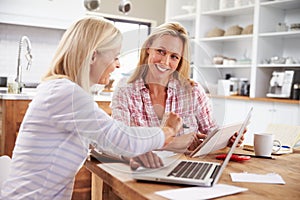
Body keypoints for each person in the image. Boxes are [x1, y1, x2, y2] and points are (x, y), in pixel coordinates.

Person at [0, 17, 183, 199]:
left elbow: (103, 139)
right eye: (115, 56)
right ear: (93, 56)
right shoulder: (66, 94)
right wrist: (167, 130)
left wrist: (130, 152)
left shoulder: (62, 90)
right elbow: (121, 138)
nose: (118, 64)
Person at [111, 22, 245, 169]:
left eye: (174, 56)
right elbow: (121, 141)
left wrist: (227, 139)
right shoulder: (125, 89)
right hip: (141, 172)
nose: (165, 62)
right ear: (148, 48)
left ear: (181, 60)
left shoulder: (192, 91)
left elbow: (211, 133)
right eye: (161, 51)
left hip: (188, 170)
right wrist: (177, 142)